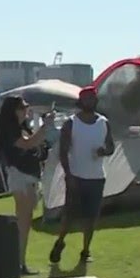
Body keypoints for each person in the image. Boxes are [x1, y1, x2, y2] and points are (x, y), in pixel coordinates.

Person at [49, 86, 114, 265]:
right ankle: (60, 241)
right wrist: (68, 175)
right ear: (80, 101)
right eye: (86, 98)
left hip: (97, 177)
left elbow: (111, 147)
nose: (89, 102)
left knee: (91, 216)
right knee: (69, 214)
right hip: (76, 176)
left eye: (92, 98)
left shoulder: (104, 123)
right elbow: (63, 152)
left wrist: (104, 151)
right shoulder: (71, 123)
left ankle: (85, 251)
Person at [0, 96, 53, 275]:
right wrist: (45, 127)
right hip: (19, 175)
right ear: (13, 111)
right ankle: (18, 262)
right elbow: (27, 144)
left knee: (25, 220)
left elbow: (34, 144)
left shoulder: (22, 128)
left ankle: (20, 262)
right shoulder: (10, 129)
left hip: (28, 175)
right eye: (23, 107)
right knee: (23, 220)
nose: (26, 109)